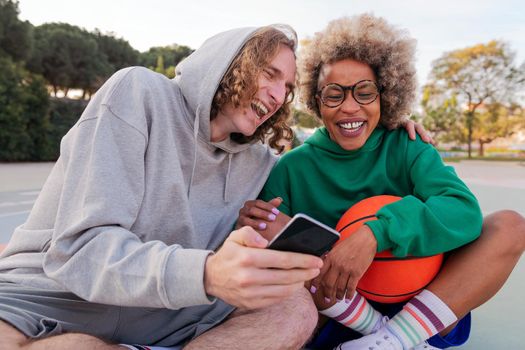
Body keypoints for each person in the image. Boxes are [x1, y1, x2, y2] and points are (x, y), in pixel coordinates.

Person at [0, 24, 326, 350]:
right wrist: (208, 273)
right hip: (54, 295)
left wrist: (259, 237)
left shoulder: (259, 163)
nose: (278, 95)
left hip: (172, 313)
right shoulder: (138, 92)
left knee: (293, 309)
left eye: (286, 87)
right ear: (232, 63)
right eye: (269, 74)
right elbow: (81, 251)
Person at [237, 14, 525, 350]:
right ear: (316, 101)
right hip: (339, 309)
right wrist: (260, 227)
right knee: (268, 226)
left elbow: (462, 213)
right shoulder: (292, 168)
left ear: (384, 96)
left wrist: (376, 232)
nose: (349, 107)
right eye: (333, 94)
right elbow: (271, 266)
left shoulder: (408, 146)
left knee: (511, 226)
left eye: (364, 92)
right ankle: (383, 335)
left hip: (423, 302)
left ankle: (394, 339)